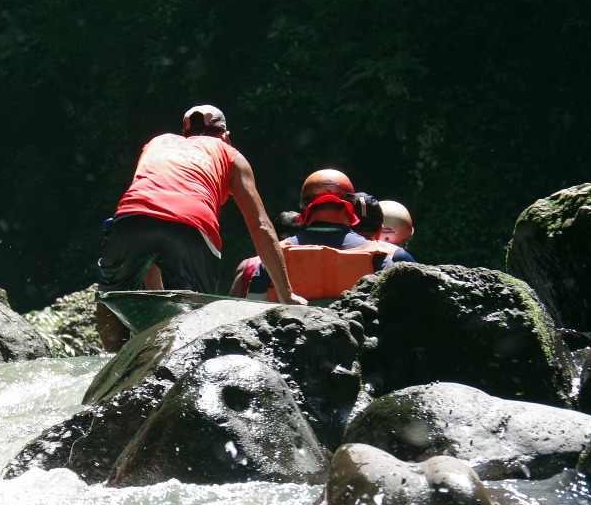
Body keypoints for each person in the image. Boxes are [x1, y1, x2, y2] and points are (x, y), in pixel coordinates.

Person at [96, 104, 301, 351]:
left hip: (130, 219)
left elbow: (151, 218)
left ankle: (110, 367)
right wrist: (286, 295)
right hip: (190, 225)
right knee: (195, 326)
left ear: (186, 133)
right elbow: (260, 225)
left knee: (111, 300)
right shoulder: (230, 154)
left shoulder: (157, 143)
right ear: (225, 135)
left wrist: (156, 309)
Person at [242, 169, 415, 301]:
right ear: (350, 209)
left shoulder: (274, 256)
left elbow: (253, 308)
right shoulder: (380, 256)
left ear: (304, 210)